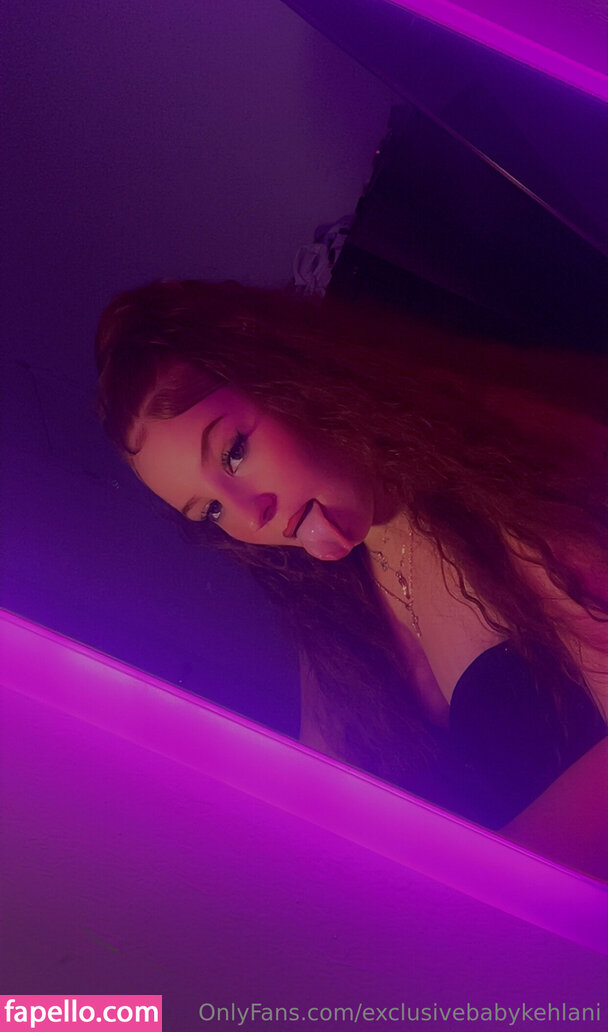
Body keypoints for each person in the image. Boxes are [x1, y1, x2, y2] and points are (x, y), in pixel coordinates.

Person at [94, 278, 608, 833]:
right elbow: (319, 823)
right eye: (212, 510)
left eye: (234, 452)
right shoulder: (334, 615)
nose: (251, 515)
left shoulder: (505, 488)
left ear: (291, 376)